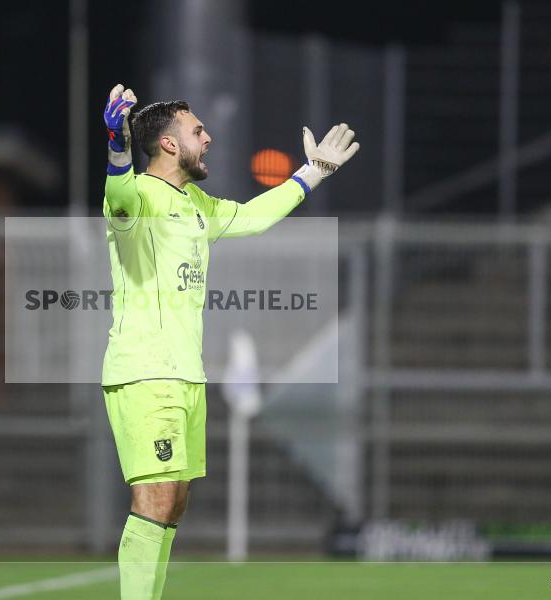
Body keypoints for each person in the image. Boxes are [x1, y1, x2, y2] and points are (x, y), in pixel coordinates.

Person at [101, 83, 359, 599]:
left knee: (173, 503)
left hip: (185, 374)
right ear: (170, 145)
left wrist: (314, 172)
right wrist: (116, 141)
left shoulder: (195, 202)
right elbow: (118, 191)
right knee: (153, 499)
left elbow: (253, 218)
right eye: (198, 131)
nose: (209, 137)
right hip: (146, 372)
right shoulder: (140, 198)